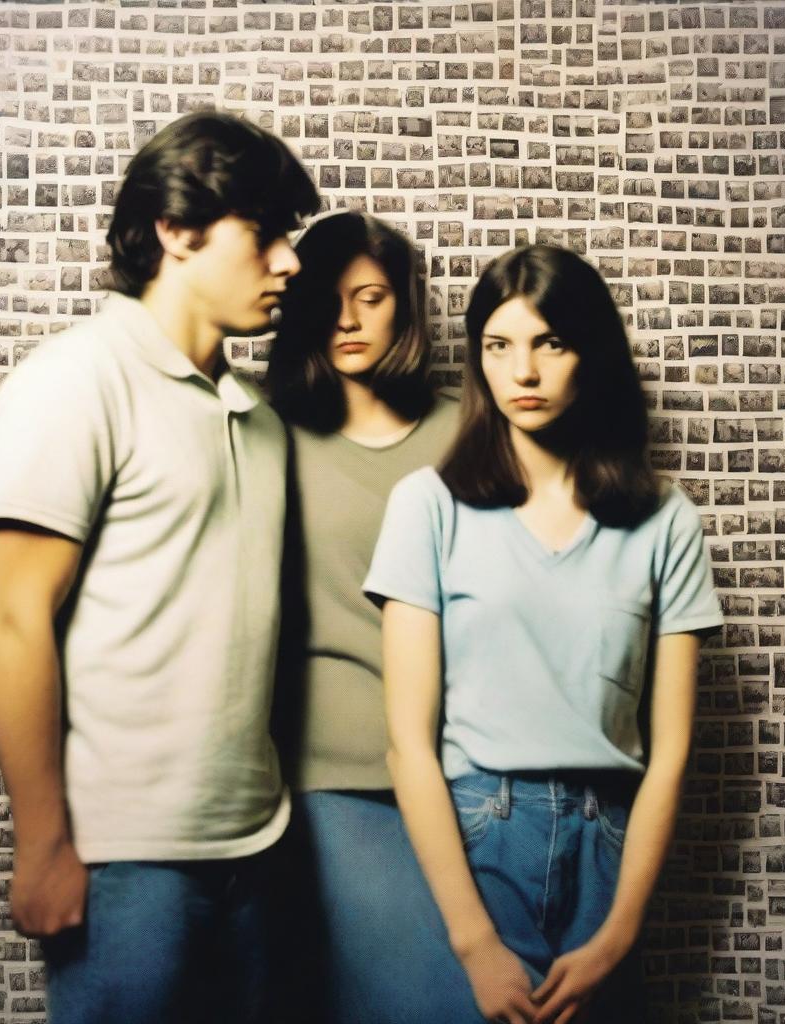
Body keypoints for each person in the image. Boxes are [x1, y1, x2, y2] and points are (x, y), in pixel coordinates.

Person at [0, 110, 319, 1024]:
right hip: (122, 860)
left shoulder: (259, 415)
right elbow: (16, 621)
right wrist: (43, 843)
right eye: (267, 233)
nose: (290, 262)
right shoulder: (75, 380)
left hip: (259, 843)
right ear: (176, 230)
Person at [364, 244, 723, 1024]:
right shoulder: (426, 505)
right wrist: (473, 943)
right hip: (475, 842)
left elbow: (671, 756)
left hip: (610, 850)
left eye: (549, 343)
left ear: (589, 352)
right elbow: (409, 746)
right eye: (499, 346)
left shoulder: (668, 520)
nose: (522, 372)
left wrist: (618, 934)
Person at [266, 211, 476, 1022]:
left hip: (470, 772)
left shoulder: (468, 432)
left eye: (372, 297)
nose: (347, 320)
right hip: (336, 777)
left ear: (407, 306)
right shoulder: (266, 434)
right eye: (326, 299)